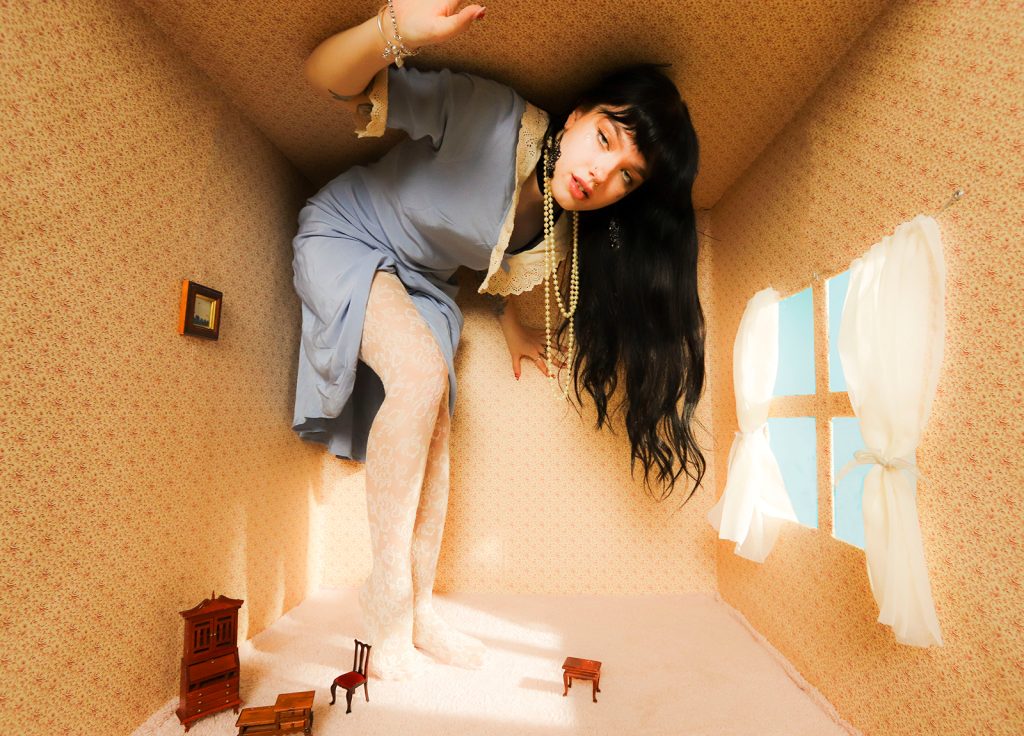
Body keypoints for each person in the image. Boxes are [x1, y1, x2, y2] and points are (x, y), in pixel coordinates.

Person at [292, 0, 706, 679]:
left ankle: (420, 606)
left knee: (438, 426)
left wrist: (515, 327)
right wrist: (394, 28)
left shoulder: (563, 229)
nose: (602, 175)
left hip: (423, 288)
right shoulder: (490, 116)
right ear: (576, 117)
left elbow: (499, 268)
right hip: (346, 235)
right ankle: (387, 596)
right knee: (422, 375)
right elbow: (325, 76)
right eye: (605, 139)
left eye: (627, 176)